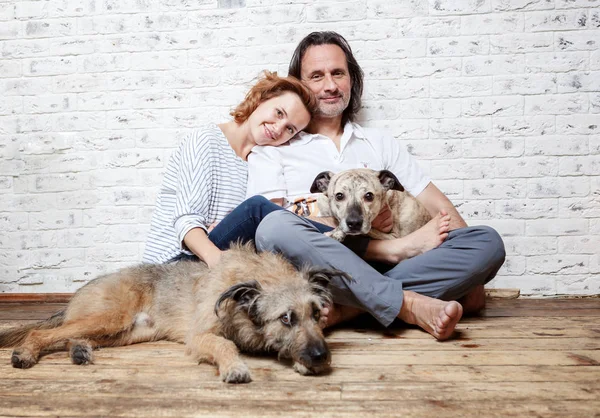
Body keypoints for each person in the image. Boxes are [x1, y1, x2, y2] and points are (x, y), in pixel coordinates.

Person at [247, 32, 506, 341]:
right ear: (300, 85)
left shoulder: (380, 142)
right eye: (316, 76)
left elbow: (439, 206)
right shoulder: (277, 147)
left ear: (352, 79)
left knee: (487, 241)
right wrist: (376, 243)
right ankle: (406, 303)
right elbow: (265, 226)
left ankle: (353, 309)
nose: (330, 85)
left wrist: (473, 279)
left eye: (338, 73)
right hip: (329, 273)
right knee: (274, 227)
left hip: (390, 274)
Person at [143, 71, 317, 267]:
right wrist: (220, 261)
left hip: (211, 264)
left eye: (290, 129)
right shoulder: (206, 140)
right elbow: (186, 220)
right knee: (258, 209)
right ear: (262, 99)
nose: (278, 129)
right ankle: (327, 236)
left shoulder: (258, 163)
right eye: (279, 113)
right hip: (170, 268)